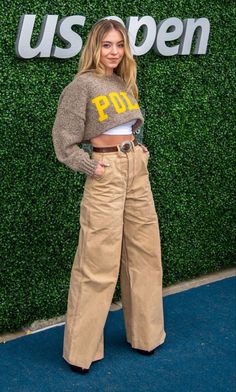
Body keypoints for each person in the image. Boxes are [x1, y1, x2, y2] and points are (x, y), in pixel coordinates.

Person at [52, 18, 166, 374]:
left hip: (136, 171)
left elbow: (127, 125)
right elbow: (63, 141)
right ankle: (81, 353)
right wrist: (92, 167)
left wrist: (140, 151)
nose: (114, 51)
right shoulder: (81, 85)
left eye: (119, 44)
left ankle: (146, 337)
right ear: (94, 47)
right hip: (107, 174)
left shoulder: (122, 82)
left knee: (145, 256)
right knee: (96, 263)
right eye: (107, 45)